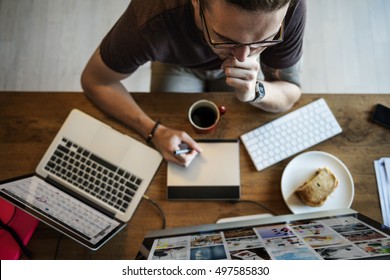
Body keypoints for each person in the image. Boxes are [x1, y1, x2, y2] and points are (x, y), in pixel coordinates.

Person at [81, 0, 306, 167]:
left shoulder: (290, 7)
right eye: (226, 39)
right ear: (196, 3)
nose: (241, 57)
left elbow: (291, 92)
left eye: (265, 40)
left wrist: (256, 90)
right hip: (178, 65)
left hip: (247, 78)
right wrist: (154, 131)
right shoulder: (150, 16)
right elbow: (95, 81)